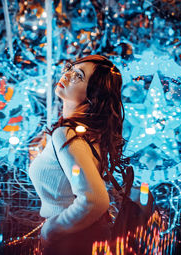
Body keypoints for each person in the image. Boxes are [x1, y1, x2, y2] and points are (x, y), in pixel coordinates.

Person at [28, 55, 127, 255]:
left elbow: (96, 199)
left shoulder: (66, 134)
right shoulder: (84, 133)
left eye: (78, 76)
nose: (67, 75)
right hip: (79, 238)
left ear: (93, 95)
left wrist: (52, 229)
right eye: (69, 69)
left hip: (70, 243)